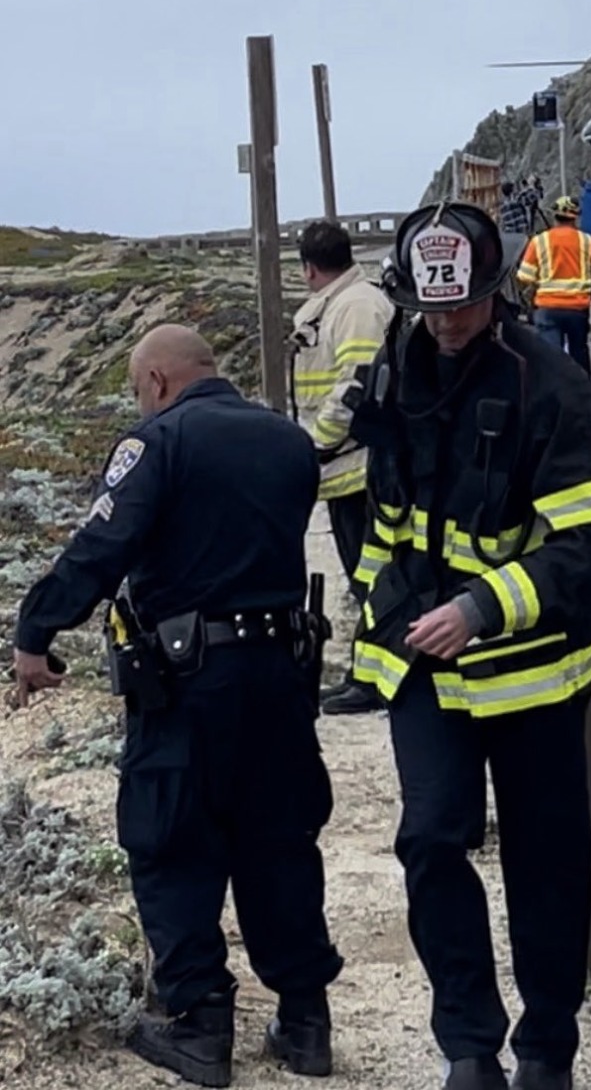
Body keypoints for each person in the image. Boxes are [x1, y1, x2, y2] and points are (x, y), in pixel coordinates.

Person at [345, 201, 591, 1090]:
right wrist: (381, 616)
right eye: (432, 310)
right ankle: (469, 1046)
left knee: (545, 861)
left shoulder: (552, 387)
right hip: (424, 665)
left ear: (495, 292)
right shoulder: (397, 370)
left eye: (462, 307)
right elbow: (387, 516)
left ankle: (548, 1049)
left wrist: (482, 608)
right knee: (430, 842)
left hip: (532, 674)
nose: (448, 324)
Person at [11, 324, 343, 1088]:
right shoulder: (287, 442)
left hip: (191, 681)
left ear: (156, 382)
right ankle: (305, 1020)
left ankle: (198, 1024)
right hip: (282, 674)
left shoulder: (158, 443)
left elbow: (101, 546)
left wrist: (37, 628)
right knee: (280, 840)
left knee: (172, 839)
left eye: (137, 391)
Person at [291, 220, 394, 717]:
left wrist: (316, 444)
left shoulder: (355, 308)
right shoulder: (344, 304)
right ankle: (368, 673)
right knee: (363, 578)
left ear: (308, 266)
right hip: (346, 469)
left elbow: (357, 386)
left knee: (373, 577)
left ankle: (373, 678)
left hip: (360, 467)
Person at [516, 195, 591, 374]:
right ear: (575, 216)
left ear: (554, 216)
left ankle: (554, 395)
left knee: (550, 357)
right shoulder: (587, 241)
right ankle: (583, 391)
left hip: (548, 308)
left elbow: (525, 276)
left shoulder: (539, 241)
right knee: (579, 351)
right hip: (578, 308)